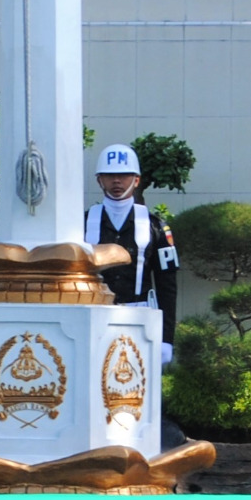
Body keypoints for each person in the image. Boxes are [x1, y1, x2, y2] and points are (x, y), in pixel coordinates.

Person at [84, 144, 179, 364]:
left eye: (124, 175)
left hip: (140, 320)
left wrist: (166, 338)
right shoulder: (84, 222)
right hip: (94, 318)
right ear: (99, 180)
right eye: (109, 176)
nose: (116, 181)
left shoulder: (155, 226)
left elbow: (167, 285)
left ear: (136, 180)